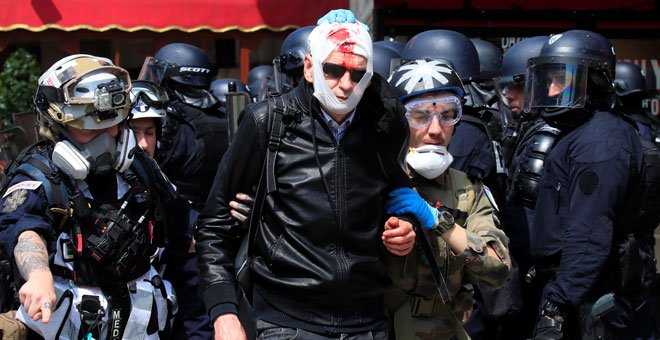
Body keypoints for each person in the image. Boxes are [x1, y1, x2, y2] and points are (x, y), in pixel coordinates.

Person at [195, 12, 421, 340]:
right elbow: (214, 225)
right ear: (309, 67)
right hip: (285, 322)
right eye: (333, 69)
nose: (345, 84)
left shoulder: (382, 127)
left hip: (367, 323)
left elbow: (394, 194)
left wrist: (403, 227)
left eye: (358, 74)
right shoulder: (267, 122)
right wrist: (224, 312)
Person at [0, 54, 190, 339]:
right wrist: (39, 275)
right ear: (57, 125)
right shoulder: (37, 174)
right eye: (89, 127)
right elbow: (23, 229)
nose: (106, 135)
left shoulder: (139, 166)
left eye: (111, 124)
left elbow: (182, 224)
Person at [525, 31, 657, 339]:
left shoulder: (600, 143)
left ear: (595, 83)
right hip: (578, 292)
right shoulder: (584, 133)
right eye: (548, 80)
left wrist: (555, 308)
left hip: (590, 301)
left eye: (562, 79)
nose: (552, 89)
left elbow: (589, 233)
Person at [384, 59, 511, 340]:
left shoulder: (466, 190)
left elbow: (498, 268)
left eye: (448, 114)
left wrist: (436, 220)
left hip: (444, 328)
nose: (436, 130)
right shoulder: (375, 181)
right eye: (420, 116)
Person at [128, 80, 213, 339]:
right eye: (134, 132)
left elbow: (193, 297)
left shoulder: (168, 195)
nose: (143, 144)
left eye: (149, 133)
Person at [138, 43, 229, 211]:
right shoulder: (224, 114)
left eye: (158, 74)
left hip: (176, 216)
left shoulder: (172, 121)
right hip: (217, 214)